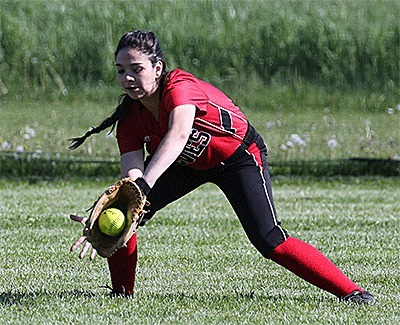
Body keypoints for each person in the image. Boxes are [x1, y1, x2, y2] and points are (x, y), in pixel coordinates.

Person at [69, 30, 375, 304]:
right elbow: (133, 176)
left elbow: (178, 135)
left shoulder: (179, 86)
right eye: (121, 71)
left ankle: (353, 292)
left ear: (157, 69)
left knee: (269, 240)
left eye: (137, 69)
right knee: (129, 211)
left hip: (239, 157)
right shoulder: (131, 118)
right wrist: (127, 205)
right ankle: (121, 295)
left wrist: (144, 186)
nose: (128, 78)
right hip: (185, 165)